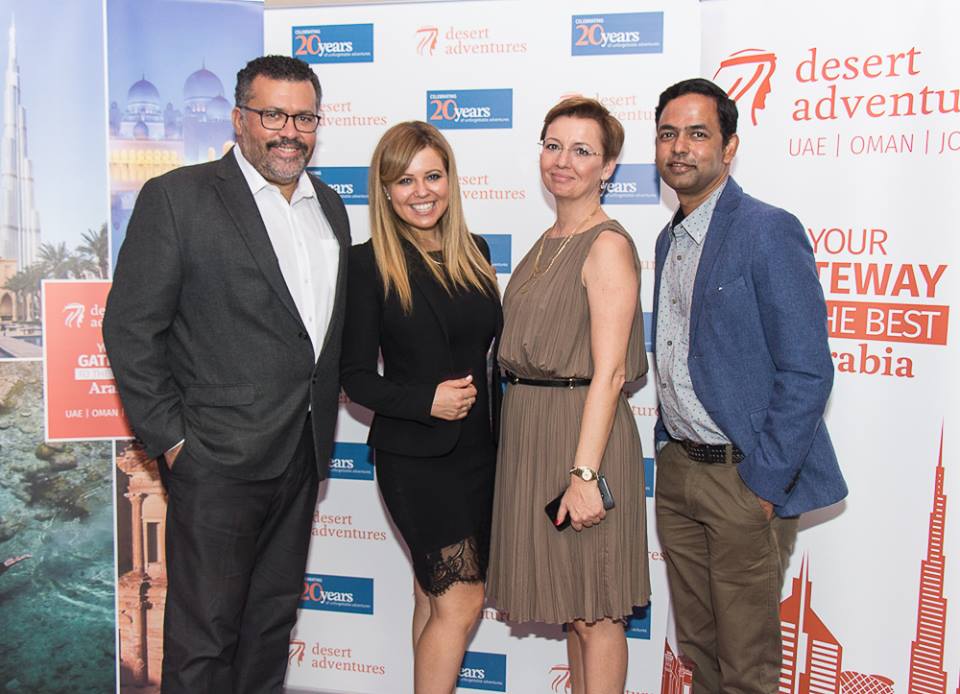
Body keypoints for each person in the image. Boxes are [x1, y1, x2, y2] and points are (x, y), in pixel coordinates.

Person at [103, 55, 350, 693]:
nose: (289, 131)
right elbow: (130, 328)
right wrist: (174, 440)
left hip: (301, 452)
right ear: (239, 119)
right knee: (204, 638)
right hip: (214, 458)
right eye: (273, 115)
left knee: (270, 627)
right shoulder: (178, 198)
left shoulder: (329, 207)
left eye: (304, 118)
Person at [651, 78, 847, 693]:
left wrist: (764, 484)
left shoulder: (767, 229)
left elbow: (808, 370)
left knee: (747, 667)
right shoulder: (667, 239)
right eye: (668, 134)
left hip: (742, 477)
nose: (680, 147)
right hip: (679, 472)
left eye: (698, 133)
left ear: (729, 147)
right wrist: (666, 449)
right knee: (700, 653)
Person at [486, 97, 649, 694]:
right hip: (535, 435)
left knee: (596, 611)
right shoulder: (549, 239)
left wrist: (584, 475)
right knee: (575, 612)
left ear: (608, 166)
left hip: (582, 438)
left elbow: (610, 372)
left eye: (582, 150)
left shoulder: (605, 244)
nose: (563, 160)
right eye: (553, 145)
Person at [340, 121, 501, 694]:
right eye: (405, 180)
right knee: (462, 600)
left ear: (450, 180)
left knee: (432, 599)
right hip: (416, 459)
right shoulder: (367, 264)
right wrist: (426, 400)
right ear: (385, 190)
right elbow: (354, 377)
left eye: (433, 176)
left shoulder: (475, 253)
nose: (422, 191)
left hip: (480, 454)